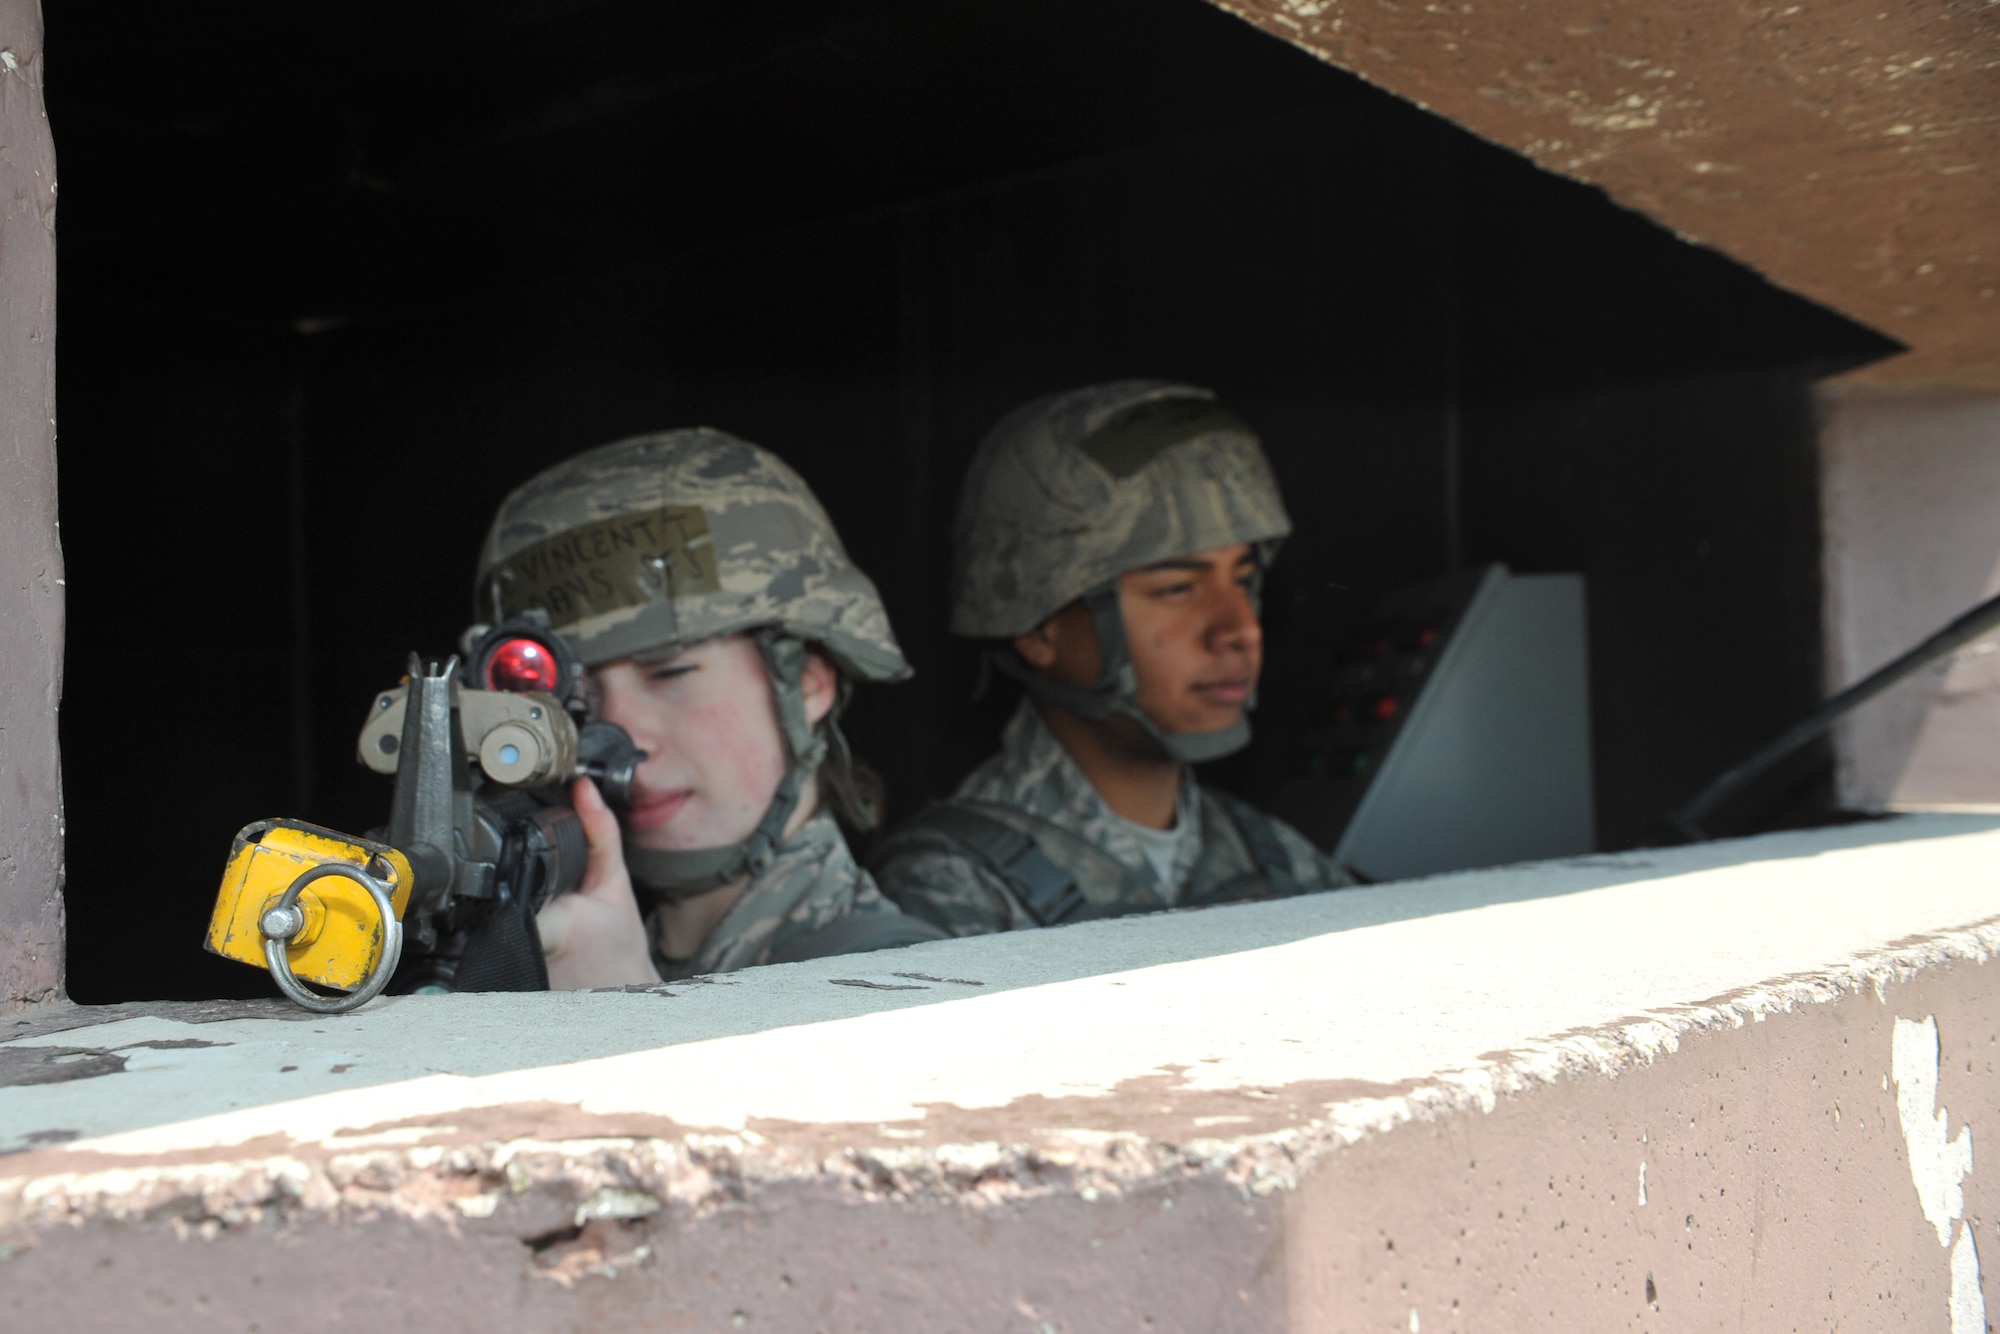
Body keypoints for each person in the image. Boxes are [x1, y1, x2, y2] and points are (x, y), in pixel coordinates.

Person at [871, 380, 1351, 935]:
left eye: (1243, 580)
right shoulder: (950, 889)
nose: (1240, 629)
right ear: (1037, 630)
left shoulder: (1275, 855)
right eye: (1177, 588)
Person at [474, 428, 945, 986]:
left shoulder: (905, 981)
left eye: (670, 673)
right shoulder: (595, 948)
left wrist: (627, 1024)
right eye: (579, 700)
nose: (618, 735)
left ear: (807, 681)